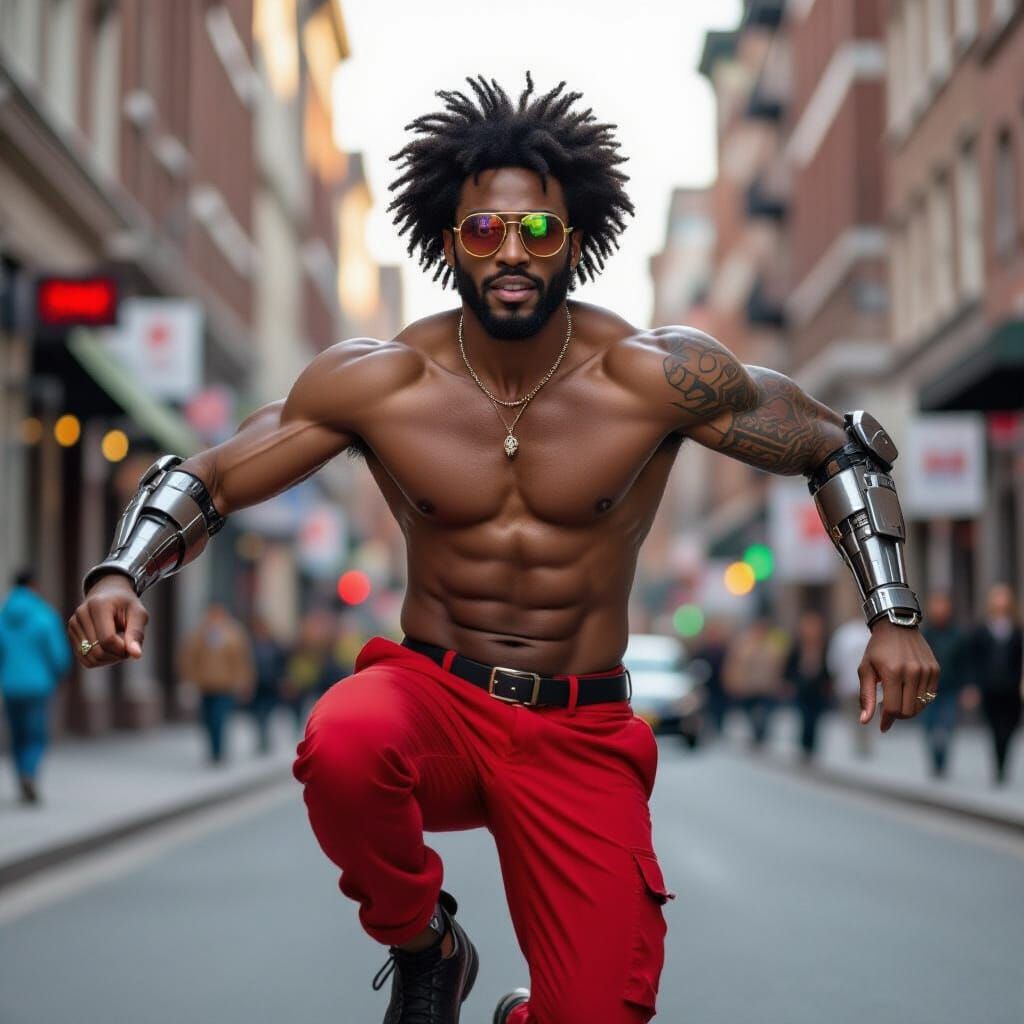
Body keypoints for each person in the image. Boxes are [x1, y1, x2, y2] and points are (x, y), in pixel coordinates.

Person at [68, 75, 938, 1024]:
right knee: (346, 737)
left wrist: (894, 618)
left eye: (538, 231)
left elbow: (836, 444)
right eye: (484, 232)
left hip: (578, 726)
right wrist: (122, 569)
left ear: (575, 239)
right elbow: (217, 475)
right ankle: (427, 944)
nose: (511, 252)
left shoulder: (656, 376)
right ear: (449, 241)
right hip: (434, 701)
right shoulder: (382, 383)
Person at [0, 569, 71, 805]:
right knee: (35, 737)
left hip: (10, 686)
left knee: (18, 736)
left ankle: (22, 774)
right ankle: (29, 774)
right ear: (33, 585)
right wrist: (60, 673)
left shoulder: (3, 616)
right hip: (38, 686)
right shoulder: (44, 615)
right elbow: (57, 654)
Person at [179, 604, 254, 765]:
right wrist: (189, 680)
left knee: (219, 718)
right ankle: (213, 749)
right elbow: (190, 658)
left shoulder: (234, 633)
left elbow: (241, 660)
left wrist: (244, 681)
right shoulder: (200, 633)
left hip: (226, 685)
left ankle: (218, 751)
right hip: (205, 685)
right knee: (206, 720)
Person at [968, 583, 1023, 786]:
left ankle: (1004, 760)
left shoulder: (1016, 629)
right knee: (994, 728)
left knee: (1009, 727)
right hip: (989, 687)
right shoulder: (981, 630)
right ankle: (998, 765)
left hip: (1011, 688)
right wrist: (973, 686)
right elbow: (974, 659)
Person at [918, 592, 968, 778]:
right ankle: (935, 760)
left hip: (950, 688)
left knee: (947, 725)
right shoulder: (924, 634)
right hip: (927, 689)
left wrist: (967, 687)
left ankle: (943, 760)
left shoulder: (957, 635)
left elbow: (965, 663)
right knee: (929, 725)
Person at [722, 617, 785, 749]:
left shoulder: (772, 646)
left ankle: (761, 735)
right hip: (748, 687)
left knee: (765, 714)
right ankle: (756, 734)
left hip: (766, 687)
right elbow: (735, 666)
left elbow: (779, 666)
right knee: (751, 713)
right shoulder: (744, 645)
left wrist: (779, 683)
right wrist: (733, 682)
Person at [783, 610, 832, 763]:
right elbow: (788, 666)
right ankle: (804, 746)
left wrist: (828, 682)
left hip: (818, 688)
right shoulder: (797, 646)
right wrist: (788, 682)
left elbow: (830, 666)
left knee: (815, 719)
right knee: (804, 717)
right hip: (802, 687)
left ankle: (812, 747)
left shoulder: (824, 645)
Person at [828, 615, 874, 759]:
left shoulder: (844, 634)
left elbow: (834, 659)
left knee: (858, 716)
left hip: (854, 684)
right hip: (862, 685)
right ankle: (863, 742)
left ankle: (861, 742)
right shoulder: (868, 633)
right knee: (864, 715)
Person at [249, 615, 286, 755]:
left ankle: (265, 737)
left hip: (271, 684)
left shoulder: (274, 645)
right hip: (256, 684)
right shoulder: (251, 645)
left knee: (268, 712)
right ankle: (261, 737)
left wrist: (282, 680)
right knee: (258, 713)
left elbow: (281, 664)